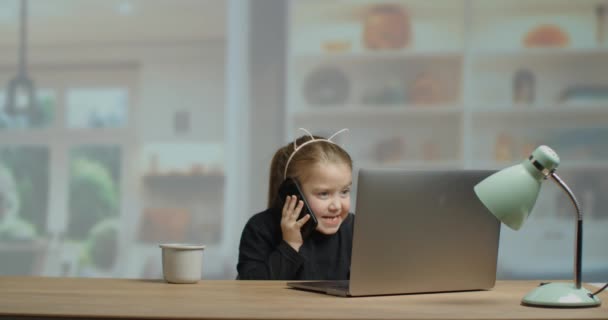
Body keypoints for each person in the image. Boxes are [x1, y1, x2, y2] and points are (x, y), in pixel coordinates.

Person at [237, 129, 354, 280]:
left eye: (344, 191)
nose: (337, 205)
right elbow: (251, 290)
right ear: (293, 192)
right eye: (324, 194)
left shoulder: (354, 230)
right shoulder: (261, 229)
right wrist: (290, 245)